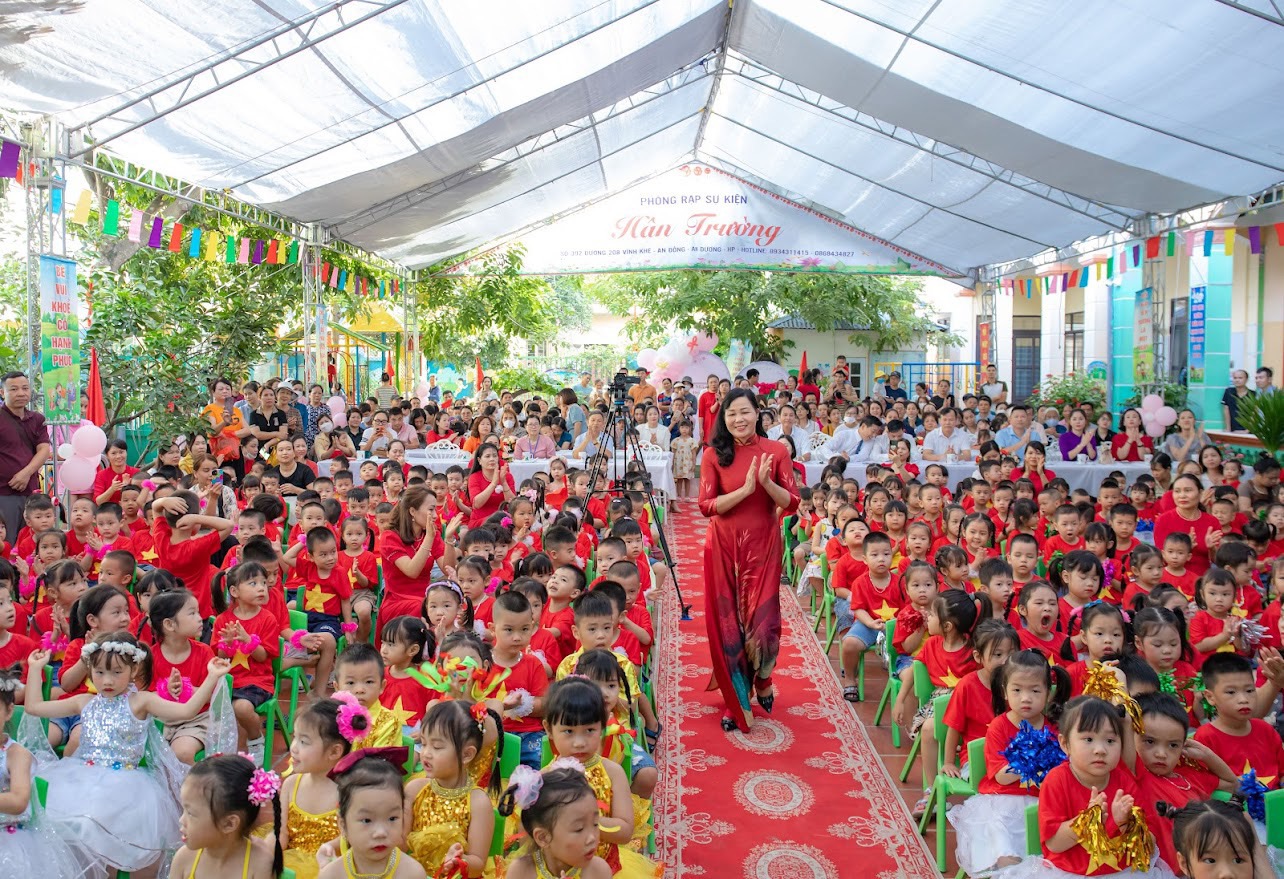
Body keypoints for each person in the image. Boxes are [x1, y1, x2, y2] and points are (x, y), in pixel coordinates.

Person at [27, 632, 232, 875]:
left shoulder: (141, 702)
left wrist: (212, 676)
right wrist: (35, 669)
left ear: (133, 670)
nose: (107, 680)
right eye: (99, 672)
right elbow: (34, 707)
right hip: (81, 777)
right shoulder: (84, 702)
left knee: (95, 820)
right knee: (57, 820)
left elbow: (187, 710)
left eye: (116, 672)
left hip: (126, 786)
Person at [698, 387, 800, 732]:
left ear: (758, 413)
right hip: (723, 547)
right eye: (731, 414)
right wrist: (744, 490)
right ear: (723, 419)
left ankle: (764, 678)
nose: (738, 419)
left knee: (764, 623)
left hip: (763, 546)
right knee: (730, 626)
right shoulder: (713, 454)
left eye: (745, 411)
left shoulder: (776, 451)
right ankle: (737, 701)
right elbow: (705, 506)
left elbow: (792, 502)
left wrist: (766, 483)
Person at [0, 372, 50, 545]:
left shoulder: (37, 419)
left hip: (30, 491)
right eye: (14, 389)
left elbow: (44, 449)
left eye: (25, 388)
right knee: (6, 542)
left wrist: (26, 474)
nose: (21, 393)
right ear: (2, 392)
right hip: (4, 491)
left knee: (31, 543)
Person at [202, 377, 252, 462]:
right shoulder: (209, 409)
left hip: (235, 451)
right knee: (218, 471)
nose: (225, 391)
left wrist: (228, 434)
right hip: (217, 452)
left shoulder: (236, 410)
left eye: (228, 389)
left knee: (237, 470)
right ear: (213, 392)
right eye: (221, 389)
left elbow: (247, 430)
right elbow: (213, 432)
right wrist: (224, 422)